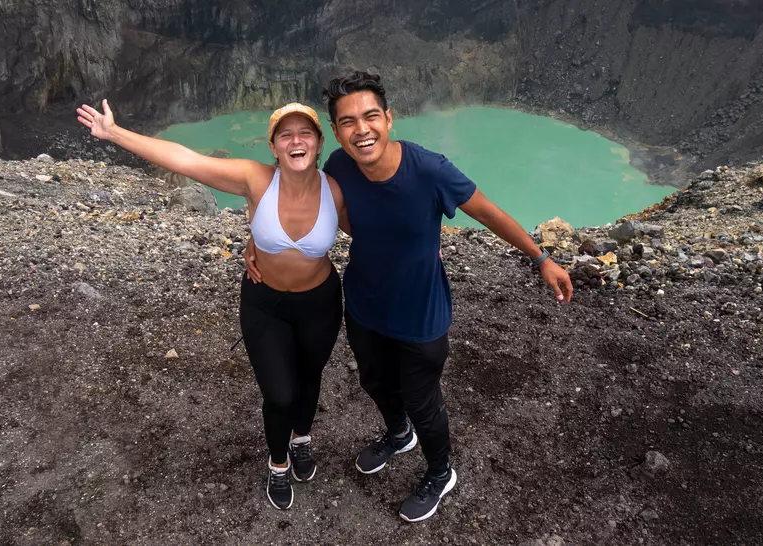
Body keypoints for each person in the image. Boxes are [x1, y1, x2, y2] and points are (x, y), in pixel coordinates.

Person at [245, 71, 573, 522]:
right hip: (363, 305)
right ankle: (398, 436)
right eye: (348, 122)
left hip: (420, 313)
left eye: (370, 116)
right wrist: (257, 244)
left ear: (389, 119)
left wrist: (541, 258)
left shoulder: (429, 169)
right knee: (375, 382)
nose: (361, 130)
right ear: (336, 132)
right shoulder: (339, 167)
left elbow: (488, 212)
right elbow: (304, 205)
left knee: (421, 398)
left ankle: (441, 472)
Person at [77, 100, 349, 511]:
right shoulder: (255, 179)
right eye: (286, 134)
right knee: (279, 393)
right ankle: (278, 464)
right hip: (265, 304)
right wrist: (115, 133)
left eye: (305, 133)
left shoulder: (335, 190)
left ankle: (301, 440)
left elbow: (375, 226)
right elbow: (187, 160)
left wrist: (422, 246)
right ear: (273, 146)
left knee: (310, 376)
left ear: (318, 141)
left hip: (321, 302)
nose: (297, 140)